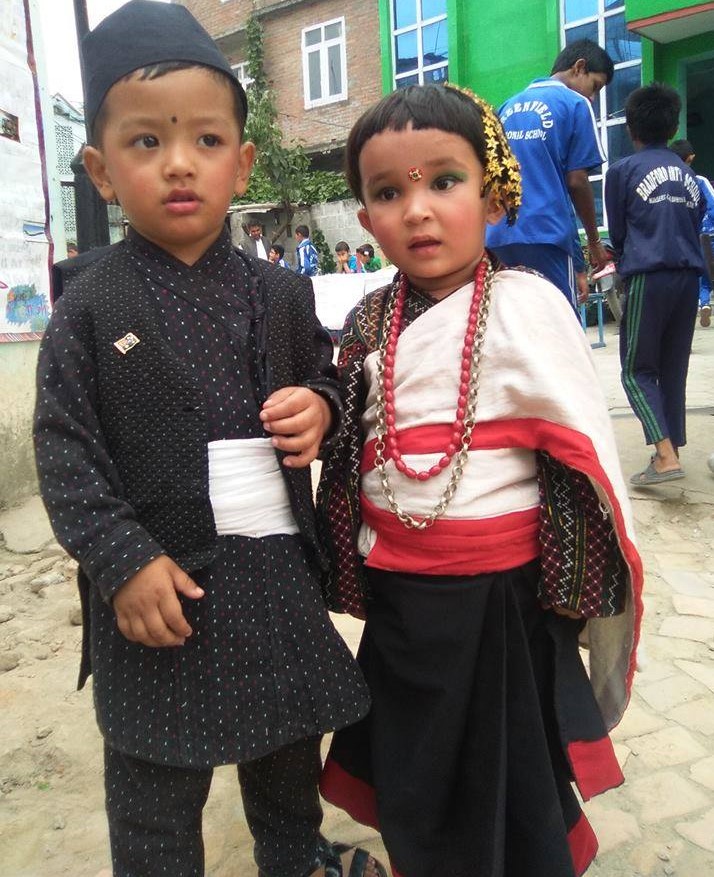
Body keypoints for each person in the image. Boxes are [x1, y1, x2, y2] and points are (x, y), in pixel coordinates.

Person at [32, 4, 383, 877]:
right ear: (101, 171)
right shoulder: (87, 309)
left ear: (245, 160)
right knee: (155, 787)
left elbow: (336, 382)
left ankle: (295, 855)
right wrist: (121, 559)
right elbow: (65, 451)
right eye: (145, 143)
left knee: (285, 754)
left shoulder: (282, 295)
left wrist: (323, 407)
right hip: (160, 593)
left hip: (272, 578)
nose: (179, 163)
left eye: (206, 141)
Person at [316, 83, 642, 877]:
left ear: (495, 200)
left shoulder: (531, 307)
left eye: (444, 181)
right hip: (402, 600)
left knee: (510, 772)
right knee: (416, 765)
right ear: (365, 219)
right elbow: (349, 434)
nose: (418, 210)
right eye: (389, 192)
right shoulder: (364, 323)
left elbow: (582, 456)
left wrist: (575, 589)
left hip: (507, 601)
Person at [605, 85, 706, 486]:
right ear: (673, 125)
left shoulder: (623, 171)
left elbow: (619, 232)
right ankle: (672, 449)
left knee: (636, 370)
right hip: (687, 278)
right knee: (672, 368)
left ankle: (664, 457)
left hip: (649, 273)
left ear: (632, 129)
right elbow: (695, 224)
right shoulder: (689, 176)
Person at [487, 39, 614, 310]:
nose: (592, 97)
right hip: (546, 235)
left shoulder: (507, 106)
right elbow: (576, 181)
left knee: (514, 326)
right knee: (559, 326)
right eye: (595, 86)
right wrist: (592, 242)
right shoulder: (575, 105)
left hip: (498, 238)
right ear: (579, 67)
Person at [669, 139, 714, 328]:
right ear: (691, 157)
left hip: (692, 240)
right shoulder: (699, 180)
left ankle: (703, 303)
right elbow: (712, 206)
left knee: (702, 277)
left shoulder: (671, 183)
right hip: (710, 235)